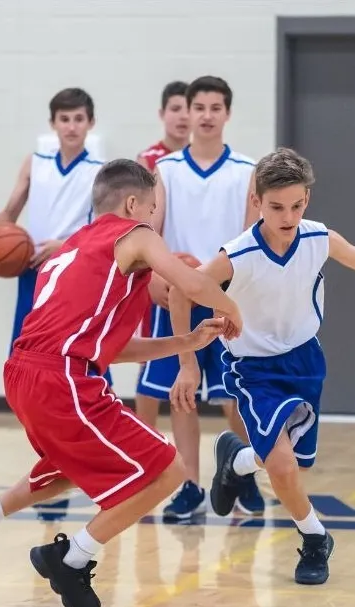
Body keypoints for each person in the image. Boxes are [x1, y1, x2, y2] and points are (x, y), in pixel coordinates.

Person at [0, 159, 243, 607]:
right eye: (154, 208)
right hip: (62, 378)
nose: (156, 219)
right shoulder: (136, 235)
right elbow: (195, 283)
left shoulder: (71, 249)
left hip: (26, 372)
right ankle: (72, 557)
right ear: (133, 203)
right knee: (169, 472)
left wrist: (187, 342)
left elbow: (109, 349)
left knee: (67, 466)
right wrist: (234, 309)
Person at [167, 147, 355, 584]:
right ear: (256, 203)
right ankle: (316, 537)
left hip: (305, 362)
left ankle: (237, 462)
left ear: (308, 201)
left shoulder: (318, 239)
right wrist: (188, 363)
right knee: (282, 467)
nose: (287, 216)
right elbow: (180, 292)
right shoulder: (237, 254)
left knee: (292, 467)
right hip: (253, 368)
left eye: (297, 206)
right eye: (277, 206)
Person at [136, 75, 263, 520]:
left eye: (215, 107)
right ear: (186, 113)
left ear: (227, 113)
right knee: (181, 397)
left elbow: (251, 239)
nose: (206, 115)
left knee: (234, 399)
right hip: (177, 298)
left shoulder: (247, 170)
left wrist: (226, 289)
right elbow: (149, 232)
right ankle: (189, 483)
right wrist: (154, 273)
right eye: (199, 107)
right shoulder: (166, 170)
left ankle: (241, 473)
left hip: (224, 296)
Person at [0, 88, 112, 382]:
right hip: (34, 273)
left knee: (81, 361)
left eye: (78, 119)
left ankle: (91, 420)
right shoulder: (34, 162)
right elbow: (9, 214)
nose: (71, 126)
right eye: (64, 119)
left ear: (91, 123)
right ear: (53, 123)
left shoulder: (102, 172)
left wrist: (67, 246)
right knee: (28, 362)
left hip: (77, 274)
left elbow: (106, 232)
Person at [133, 79, 190, 429]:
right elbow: (139, 222)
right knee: (150, 361)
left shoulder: (206, 161)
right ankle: (145, 434)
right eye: (175, 108)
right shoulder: (149, 161)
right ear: (162, 114)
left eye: (188, 108)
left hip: (191, 272)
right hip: (158, 274)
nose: (182, 116)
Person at [136, 80, 191, 171]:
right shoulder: (146, 160)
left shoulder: (204, 157)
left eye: (189, 110)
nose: (184, 116)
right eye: (175, 109)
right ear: (162, 114)